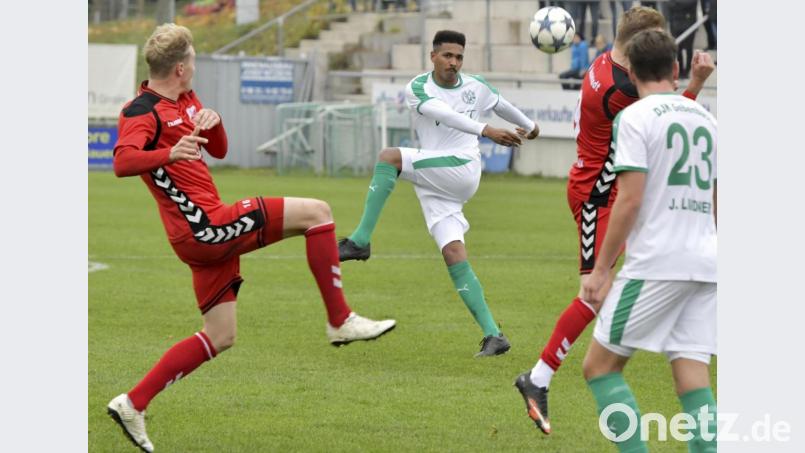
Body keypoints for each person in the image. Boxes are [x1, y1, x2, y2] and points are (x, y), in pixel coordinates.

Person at [105, 24, 396, 452]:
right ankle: (340, 320)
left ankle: (133, 403)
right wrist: (170, 152)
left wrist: (214, 121)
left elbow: (218, 149)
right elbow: (123, 161)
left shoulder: (186, 99)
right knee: (318, 212)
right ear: (182, 68)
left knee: (220, 335)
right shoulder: (141, 110)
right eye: (196, 60)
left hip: (202, 233)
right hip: (205, 227)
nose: (196, 67)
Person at [514, 6, 714, 435]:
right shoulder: (619, 90)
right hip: (597, 196)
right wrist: (695, 84)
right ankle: (536, 378)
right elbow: (667, 117)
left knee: (602, 296)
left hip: (607, 190)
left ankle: (540, 377)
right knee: (596, 291)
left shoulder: (610, 61)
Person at [337, 30, 540, 357]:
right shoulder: (418, 88)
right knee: (453, 253)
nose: (454, 63)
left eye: (459, 57)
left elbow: (503, 106)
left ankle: (360, 240)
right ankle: (493, 334)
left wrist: (530, 126)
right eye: (447, 56)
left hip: (462, 167)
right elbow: (445, 114)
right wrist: (486, 129)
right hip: (437, 179)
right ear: (433, 56)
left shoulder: (476, 86)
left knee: (390, 156)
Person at [581, 29, 717, 452]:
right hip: (708, 261)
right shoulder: (709, 120)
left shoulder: (634, 117)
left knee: (599, 368)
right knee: (691, 376)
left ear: (632, 72)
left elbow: (629, 199)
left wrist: (601, 269)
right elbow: (717, 200)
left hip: (659, 261)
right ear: (675, 68)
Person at [667, 0, 698, 79]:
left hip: (689, 24)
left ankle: (687, 70)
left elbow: (689, 3)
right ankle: (680, 70)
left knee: (689, 48)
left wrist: (677, 3)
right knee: (678, 49)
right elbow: (670, 4)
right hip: (675, 25)